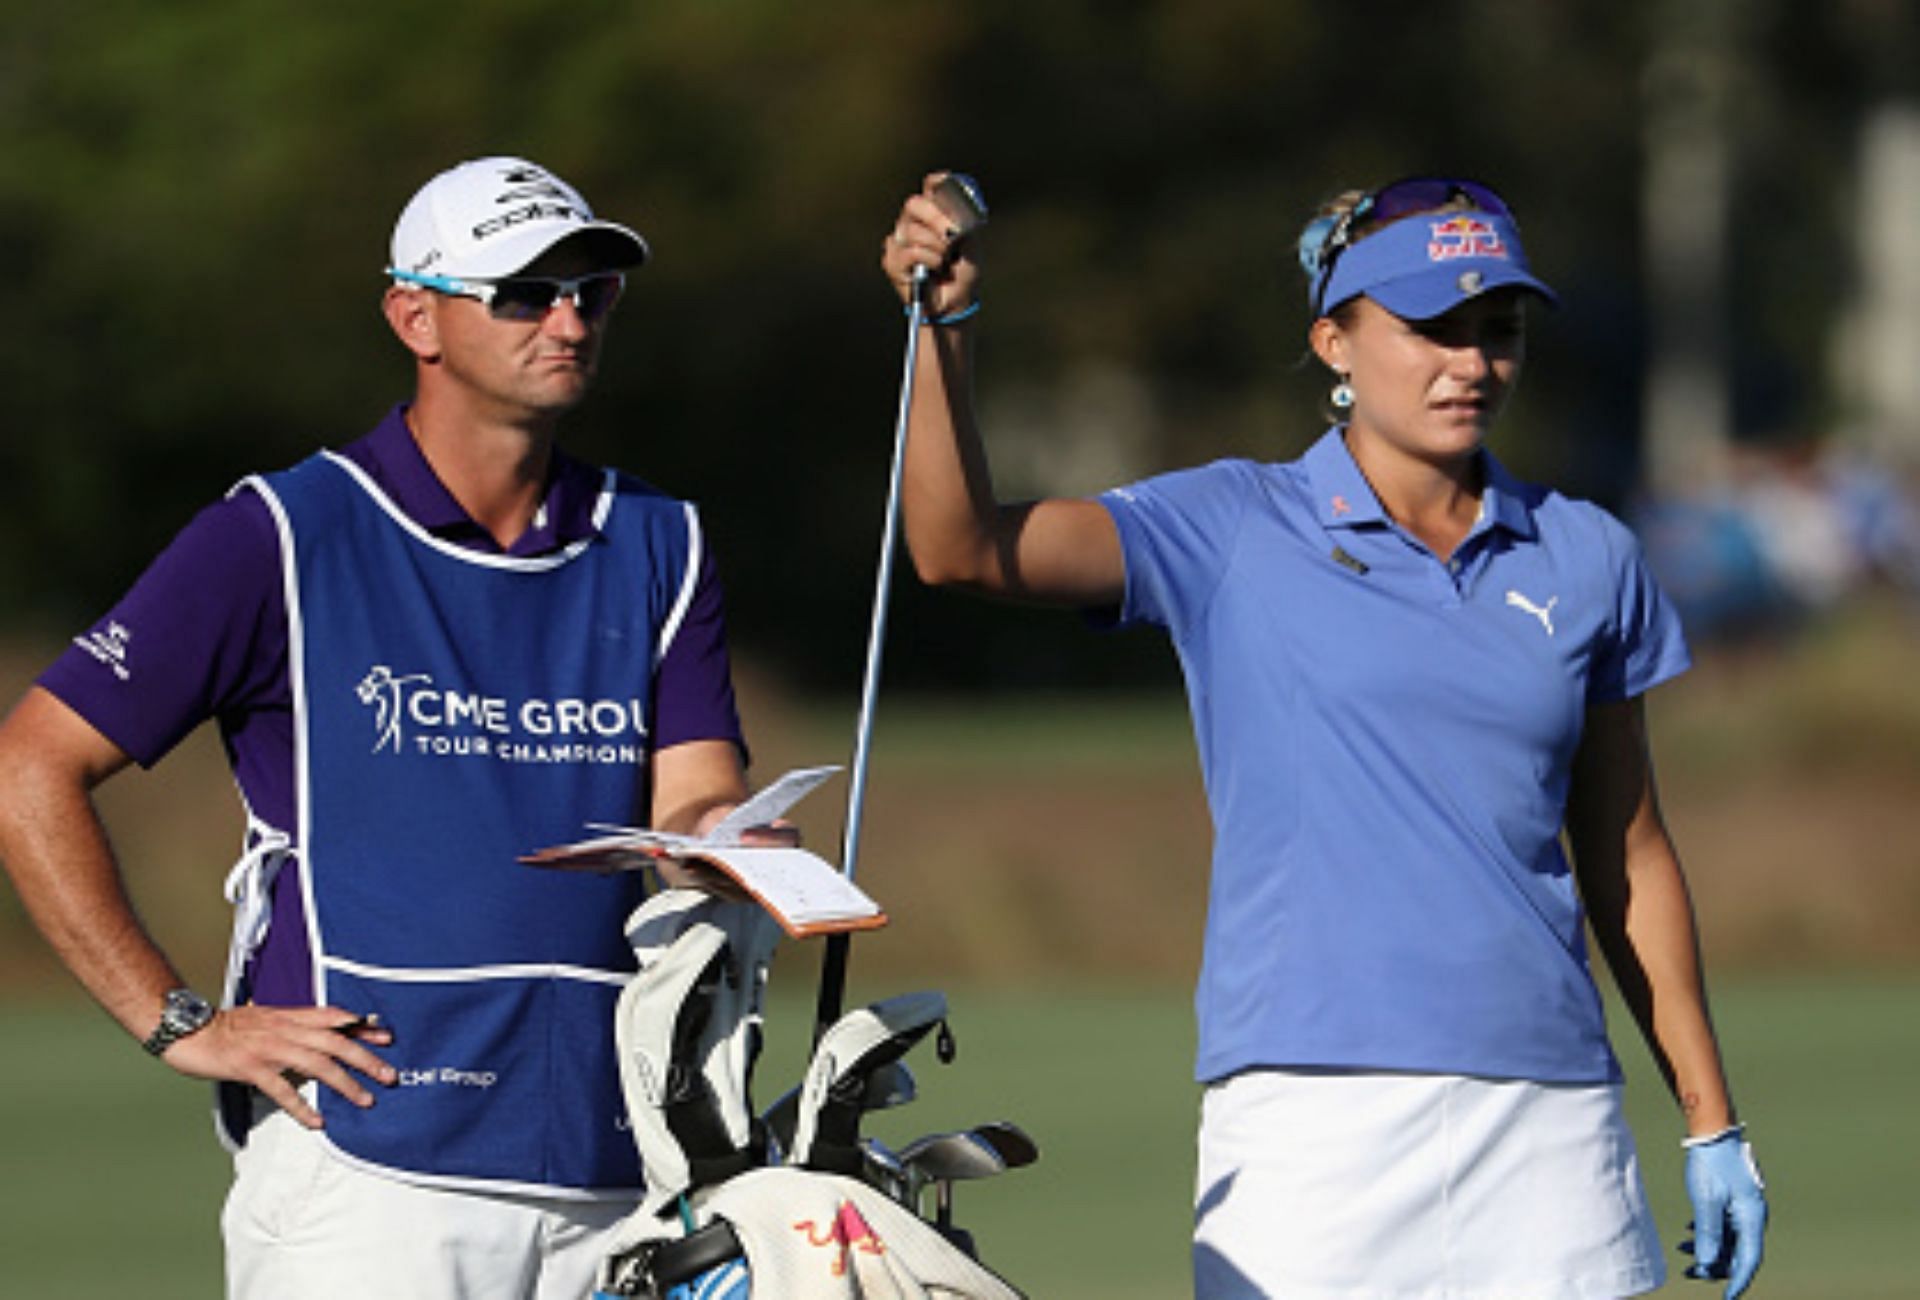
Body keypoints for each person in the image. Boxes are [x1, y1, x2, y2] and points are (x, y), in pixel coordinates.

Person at [880, 173, 1769, 1299]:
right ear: (1334, 342)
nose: (1471, 362)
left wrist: (1710, 1122)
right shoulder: (1233, 525)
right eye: (1431, 329)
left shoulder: (1586, 554)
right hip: (1311, 1121)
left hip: (1550, 1119)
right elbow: (959, 546)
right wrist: (944, 331)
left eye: (1497, 331)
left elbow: (1628, 852)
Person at [0, 156, 782, 1299]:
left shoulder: (662, 540)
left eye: (592, 291)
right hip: (370, 1173)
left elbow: (693, 796)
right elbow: (33, 762)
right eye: (524, 292)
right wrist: (179, 1022)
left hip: (621, 1167)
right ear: (414, 314)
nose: (567, 319)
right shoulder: (282, 531)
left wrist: (737, 843)